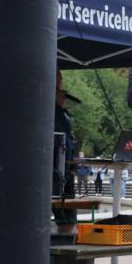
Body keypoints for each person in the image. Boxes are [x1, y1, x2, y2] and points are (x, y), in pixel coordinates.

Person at [52, 71, 79, 234]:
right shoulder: (47, 109)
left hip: (67, 166)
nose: (60, 80)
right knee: (60, 208)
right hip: (54, 168)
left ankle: (68, 234)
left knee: (69, 210)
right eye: (57, 76)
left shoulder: (63, 114)